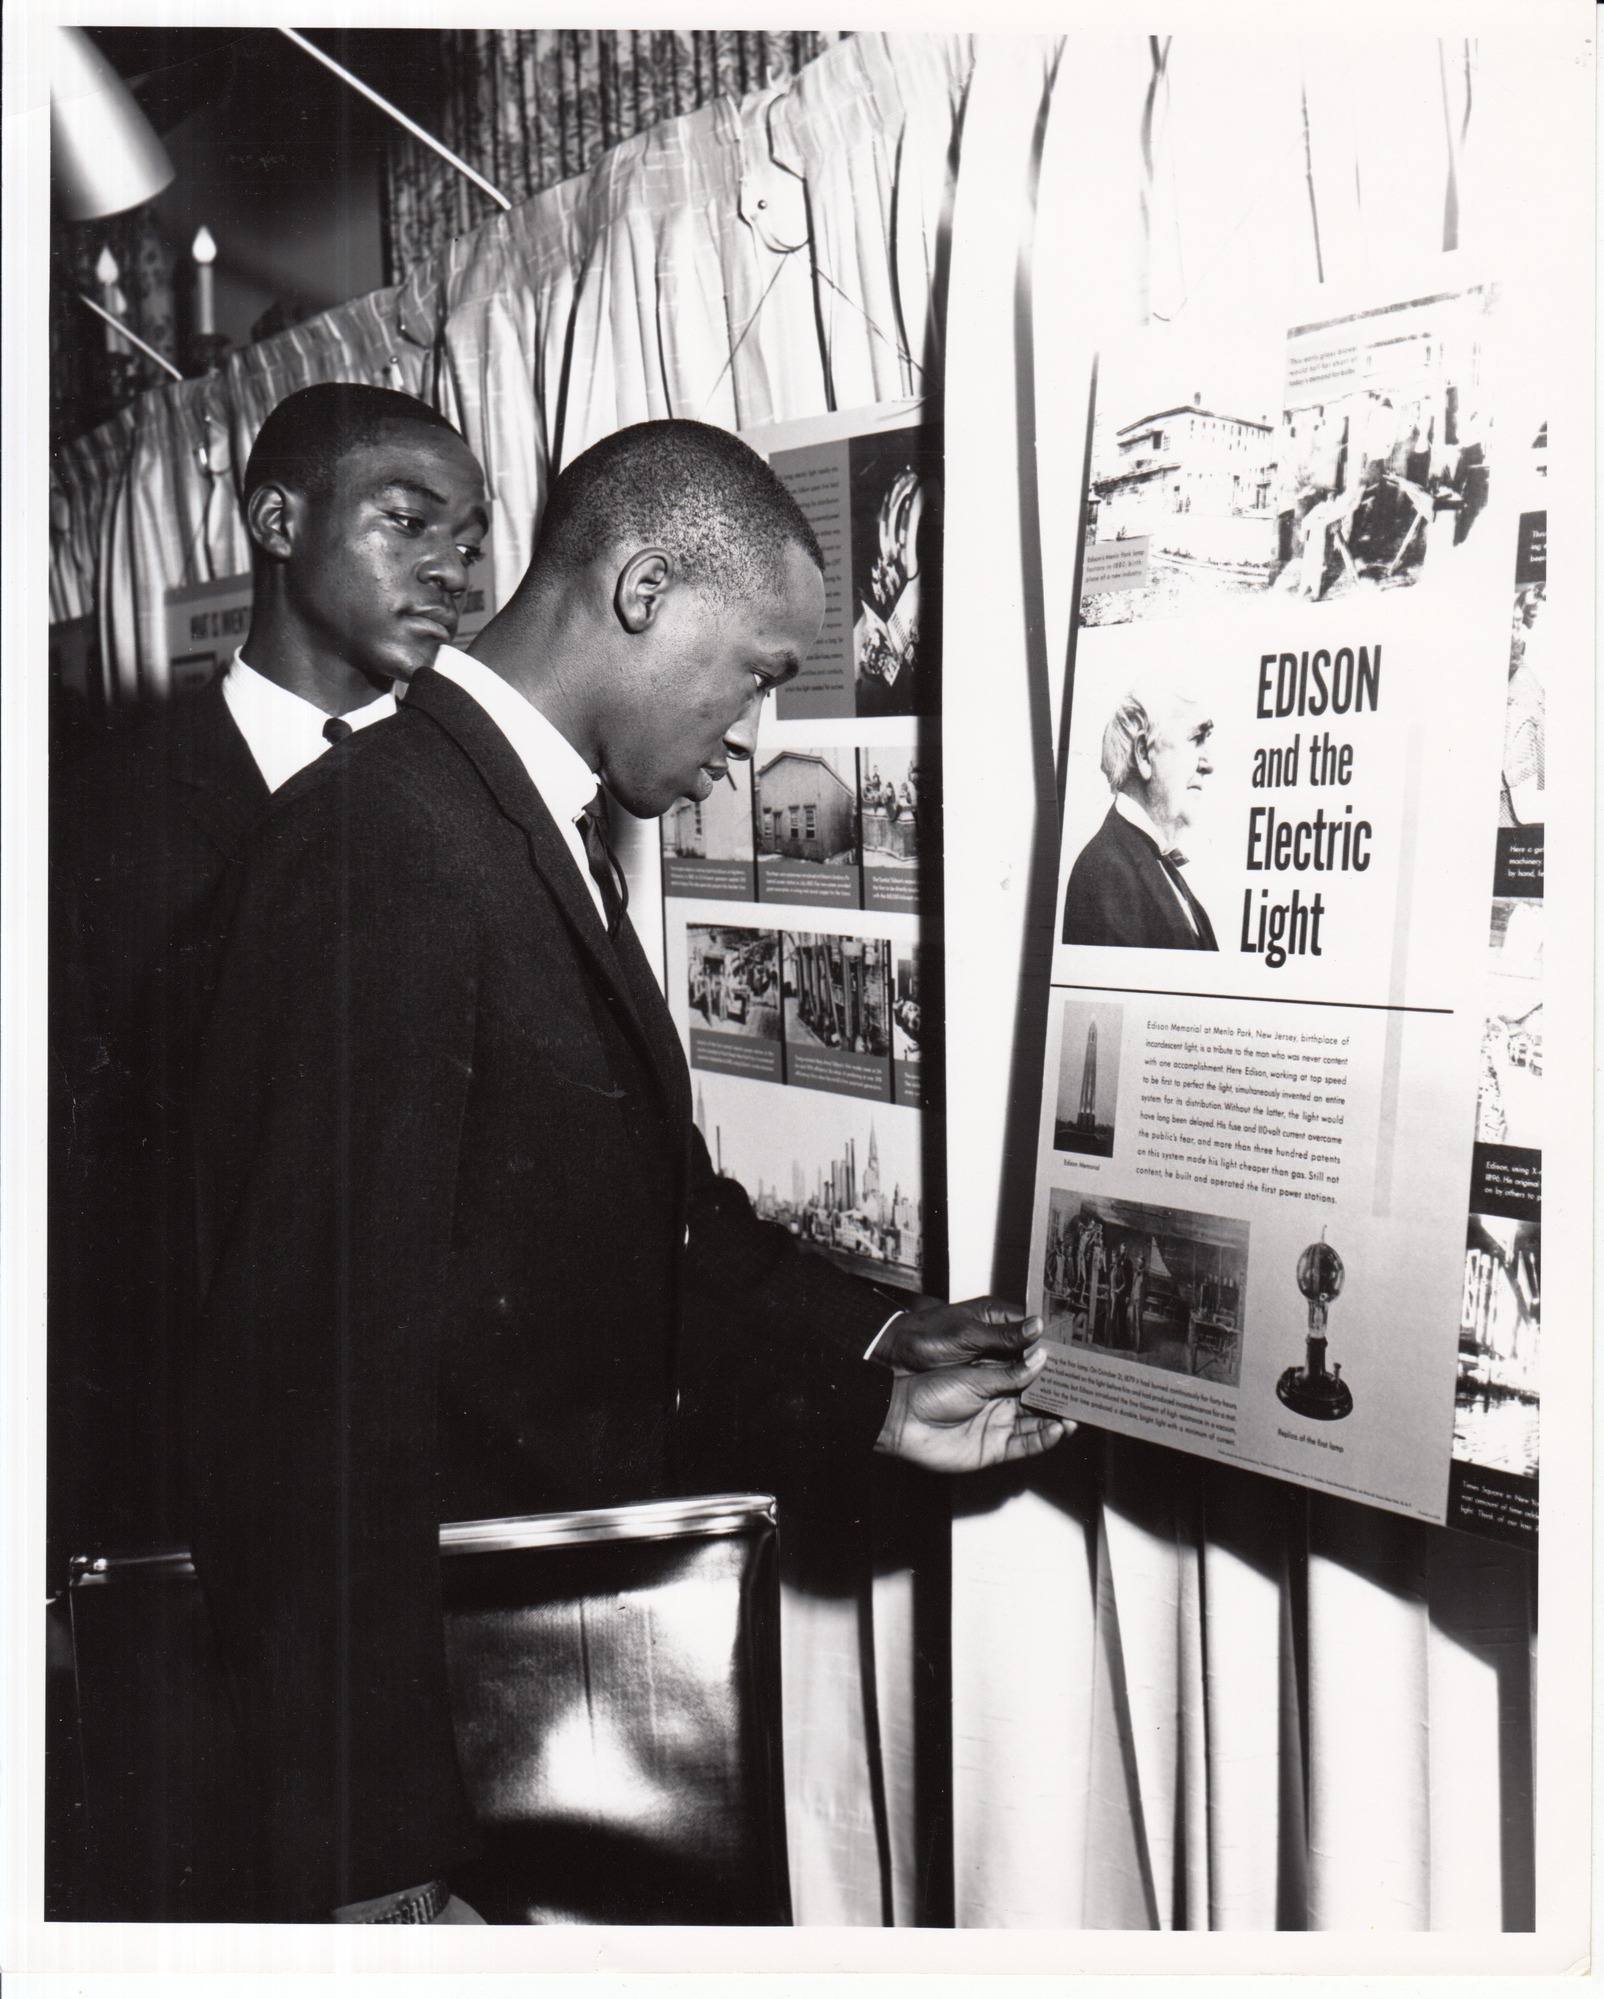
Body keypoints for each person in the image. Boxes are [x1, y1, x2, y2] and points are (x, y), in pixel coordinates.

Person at [187, 418, 1067, 1925]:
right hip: (450, 1785)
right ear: (646, 587)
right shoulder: (379, 847)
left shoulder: (500, 820)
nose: (754, 735)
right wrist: (367, 1841)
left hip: (553, 1715)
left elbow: (635, 1225)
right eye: (760, 672)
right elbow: (307, 1386)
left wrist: (874, 1371)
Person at [49, 384, 488, 1579]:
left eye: (470, 537)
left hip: (421, 1485)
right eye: (407, 522)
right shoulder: (92, 819)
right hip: (170, 1490)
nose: (450, 566)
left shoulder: (478, 808)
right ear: (278, 520)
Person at [1061, 676, 1217, 950]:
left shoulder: (1149, 866)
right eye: (1196, 739)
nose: (1208, 764)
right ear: (1144, 753)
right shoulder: (1107, 872)